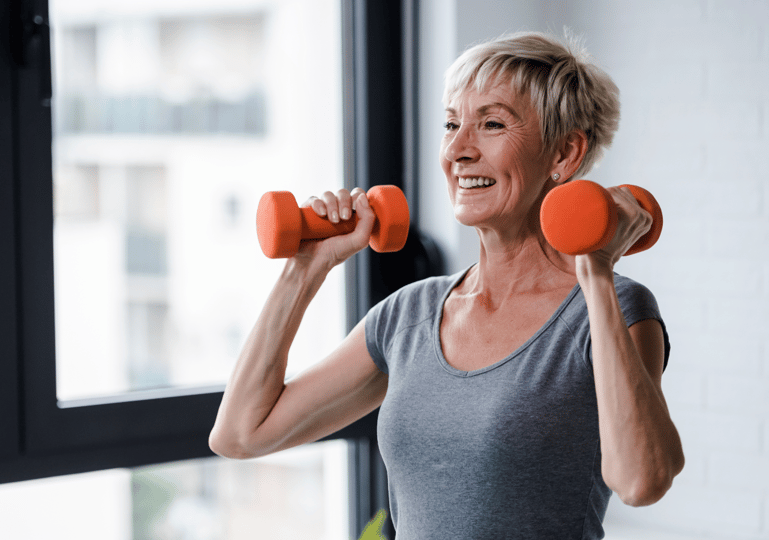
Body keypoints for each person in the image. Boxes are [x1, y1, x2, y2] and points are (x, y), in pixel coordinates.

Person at [209, 31, 684, 538]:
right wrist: (304, 270)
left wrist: (595, 271)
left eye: (492, 124)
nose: (458, 150)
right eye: (452, 124)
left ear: (564, 155)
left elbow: (640, 481)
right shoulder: (408, 316)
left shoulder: (610, 307)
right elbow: (241, 433)